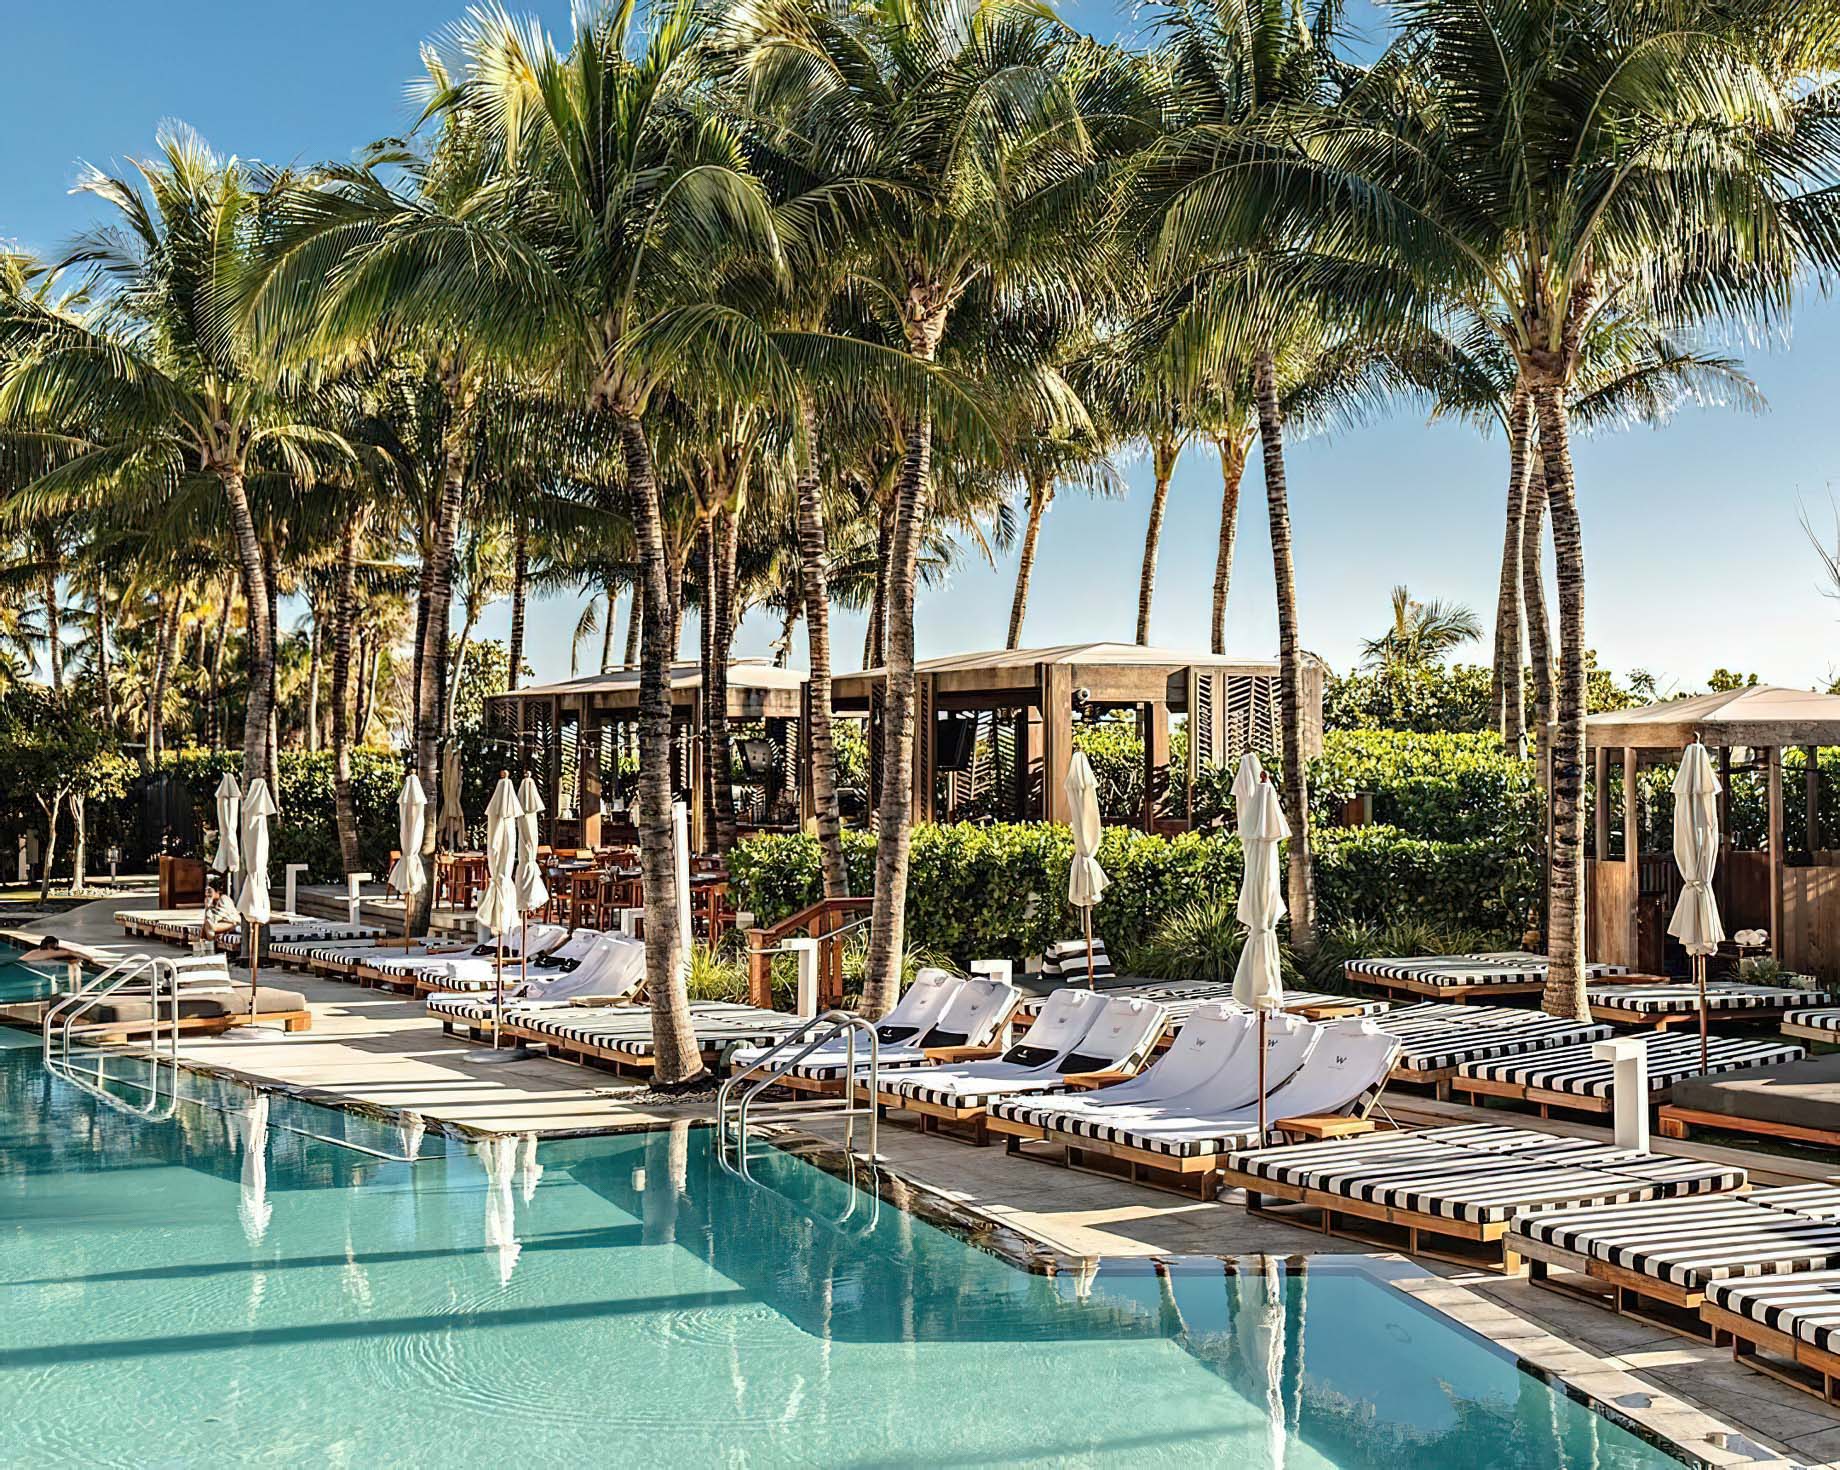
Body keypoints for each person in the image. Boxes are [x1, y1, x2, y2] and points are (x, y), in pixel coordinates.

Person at [198, 882, 241, 954]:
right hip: (220, 923)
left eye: (210, 891)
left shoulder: (224, 899)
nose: (208, 894)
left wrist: (209, 908)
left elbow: (220, 917)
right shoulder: (212, 902)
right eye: (206, 891)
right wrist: (207, 908)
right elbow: (208, 918)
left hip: (231, 923)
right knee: (207, 924)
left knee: (210, 925)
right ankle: (208, 948)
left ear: (216, 891)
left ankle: (211, 947)